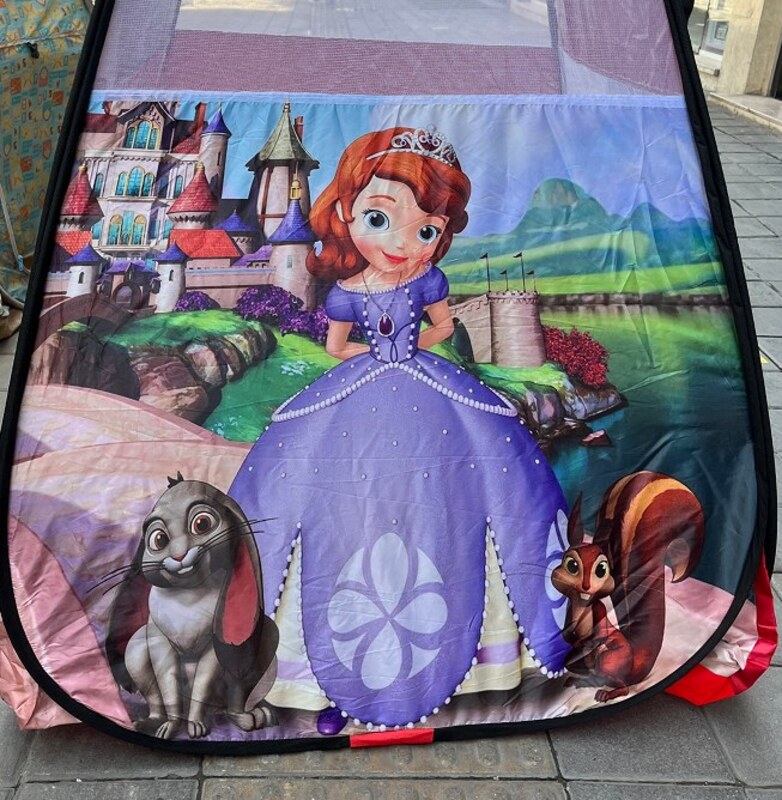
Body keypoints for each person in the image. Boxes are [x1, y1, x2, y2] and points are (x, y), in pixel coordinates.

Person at [229, 125, 570, 735]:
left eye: (426, 230)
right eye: (379, 219)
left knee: (478, 472)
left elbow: (442, 329)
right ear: (347, 215)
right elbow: (336, 348)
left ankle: (483, 661)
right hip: (362, 384)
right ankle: (312, 676)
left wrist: (406, 347)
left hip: (426, 381)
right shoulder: (345, 293)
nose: (401, 242)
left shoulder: (429, 282)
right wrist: (375, 355)